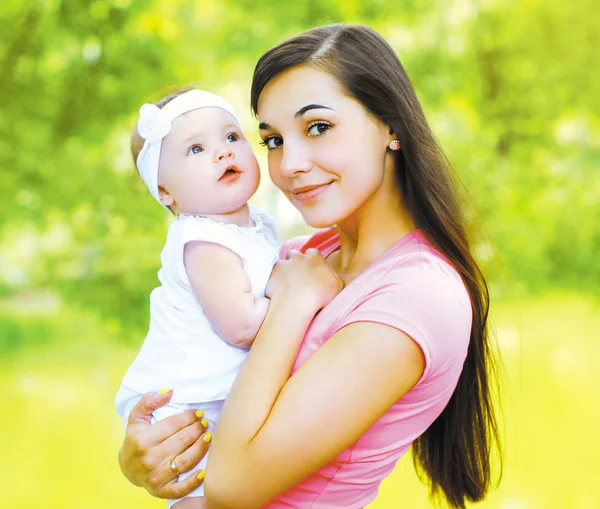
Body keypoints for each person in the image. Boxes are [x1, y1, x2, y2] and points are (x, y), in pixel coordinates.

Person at [118, 24, 502, 509]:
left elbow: (231, 486)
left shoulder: (416, 297)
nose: (290, 164)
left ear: (391, 126)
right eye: (273, 140)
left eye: (318, 127)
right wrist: (149, 456)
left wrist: (294, 304)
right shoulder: (302, 255)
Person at [115, 87, 281, 508]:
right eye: (196, 149)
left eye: (231, 137)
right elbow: (242, 324)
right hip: (189, 403)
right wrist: (297, 290)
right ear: (165, 191)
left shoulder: (256, 226)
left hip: (223, 395)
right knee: (201, 495)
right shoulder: (202, 238)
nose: (223, 153)